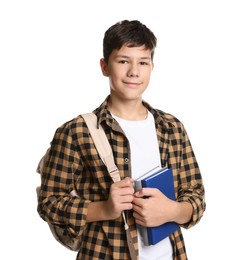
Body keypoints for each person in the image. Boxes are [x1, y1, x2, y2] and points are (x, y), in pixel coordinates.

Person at [37, 20, 206, 260]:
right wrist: (104, 208)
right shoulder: (76, 132)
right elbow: (49, 203)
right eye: (123, 61)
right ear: (105, 66)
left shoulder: (172, 128)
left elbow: (195, 196)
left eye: (143, 62)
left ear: (152, 67)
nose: (134, 71)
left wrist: (173, 210)